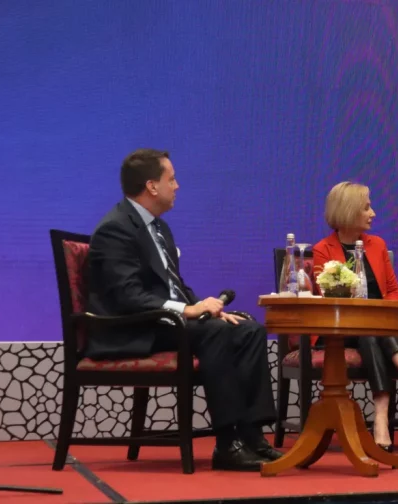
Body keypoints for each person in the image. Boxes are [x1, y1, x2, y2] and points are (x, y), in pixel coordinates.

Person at [85, 149, 280, 471]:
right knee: (216, 333)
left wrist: (206, 308)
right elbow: (126, 295)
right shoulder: (116, 229)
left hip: (165, 321)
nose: (177, 186)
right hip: (134, 327)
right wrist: (188, 310)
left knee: (247, 328)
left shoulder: (160, 228)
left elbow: (172, 286)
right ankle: (226, 444)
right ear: (151, 186)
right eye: (171, 179)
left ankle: (252, 436)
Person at [311, 181, 398, 452]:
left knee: (373, 331)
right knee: (372, 329)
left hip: (374, 330)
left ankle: (381, 419)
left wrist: (382, 314)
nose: (373, 214)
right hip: (337, 332)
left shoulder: (377, 245)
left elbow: (393, 292)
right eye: (367, 207)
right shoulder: (323, 250)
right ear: (349, 211)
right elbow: (328, 296)